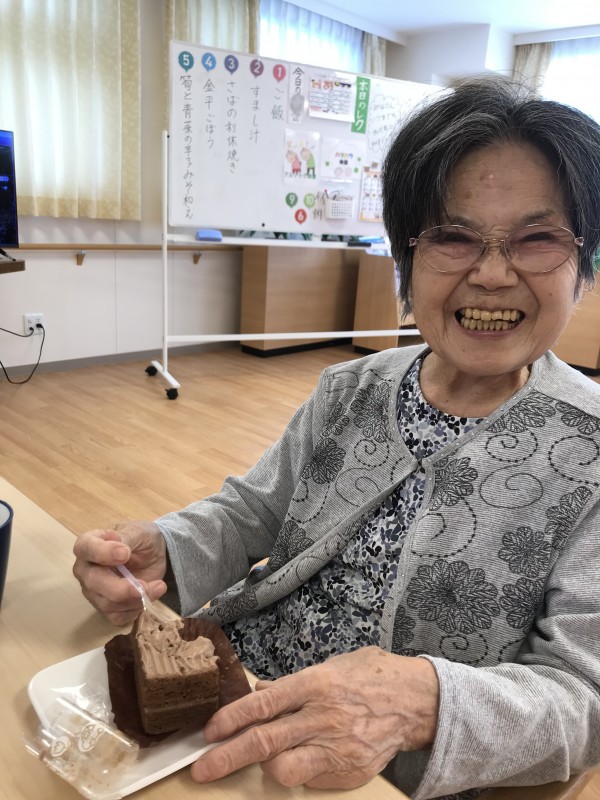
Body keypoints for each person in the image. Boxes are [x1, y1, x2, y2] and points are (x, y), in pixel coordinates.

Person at [73, 76, 600, 800]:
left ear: (584, 266)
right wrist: (161, 547)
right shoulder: (351, 388)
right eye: (452, 236)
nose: (490, 274)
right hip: (231, 693)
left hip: (379, 768)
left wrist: (425, 702)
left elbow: (583, 694)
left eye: (537, 239)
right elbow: (250, 512)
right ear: (405, 260)